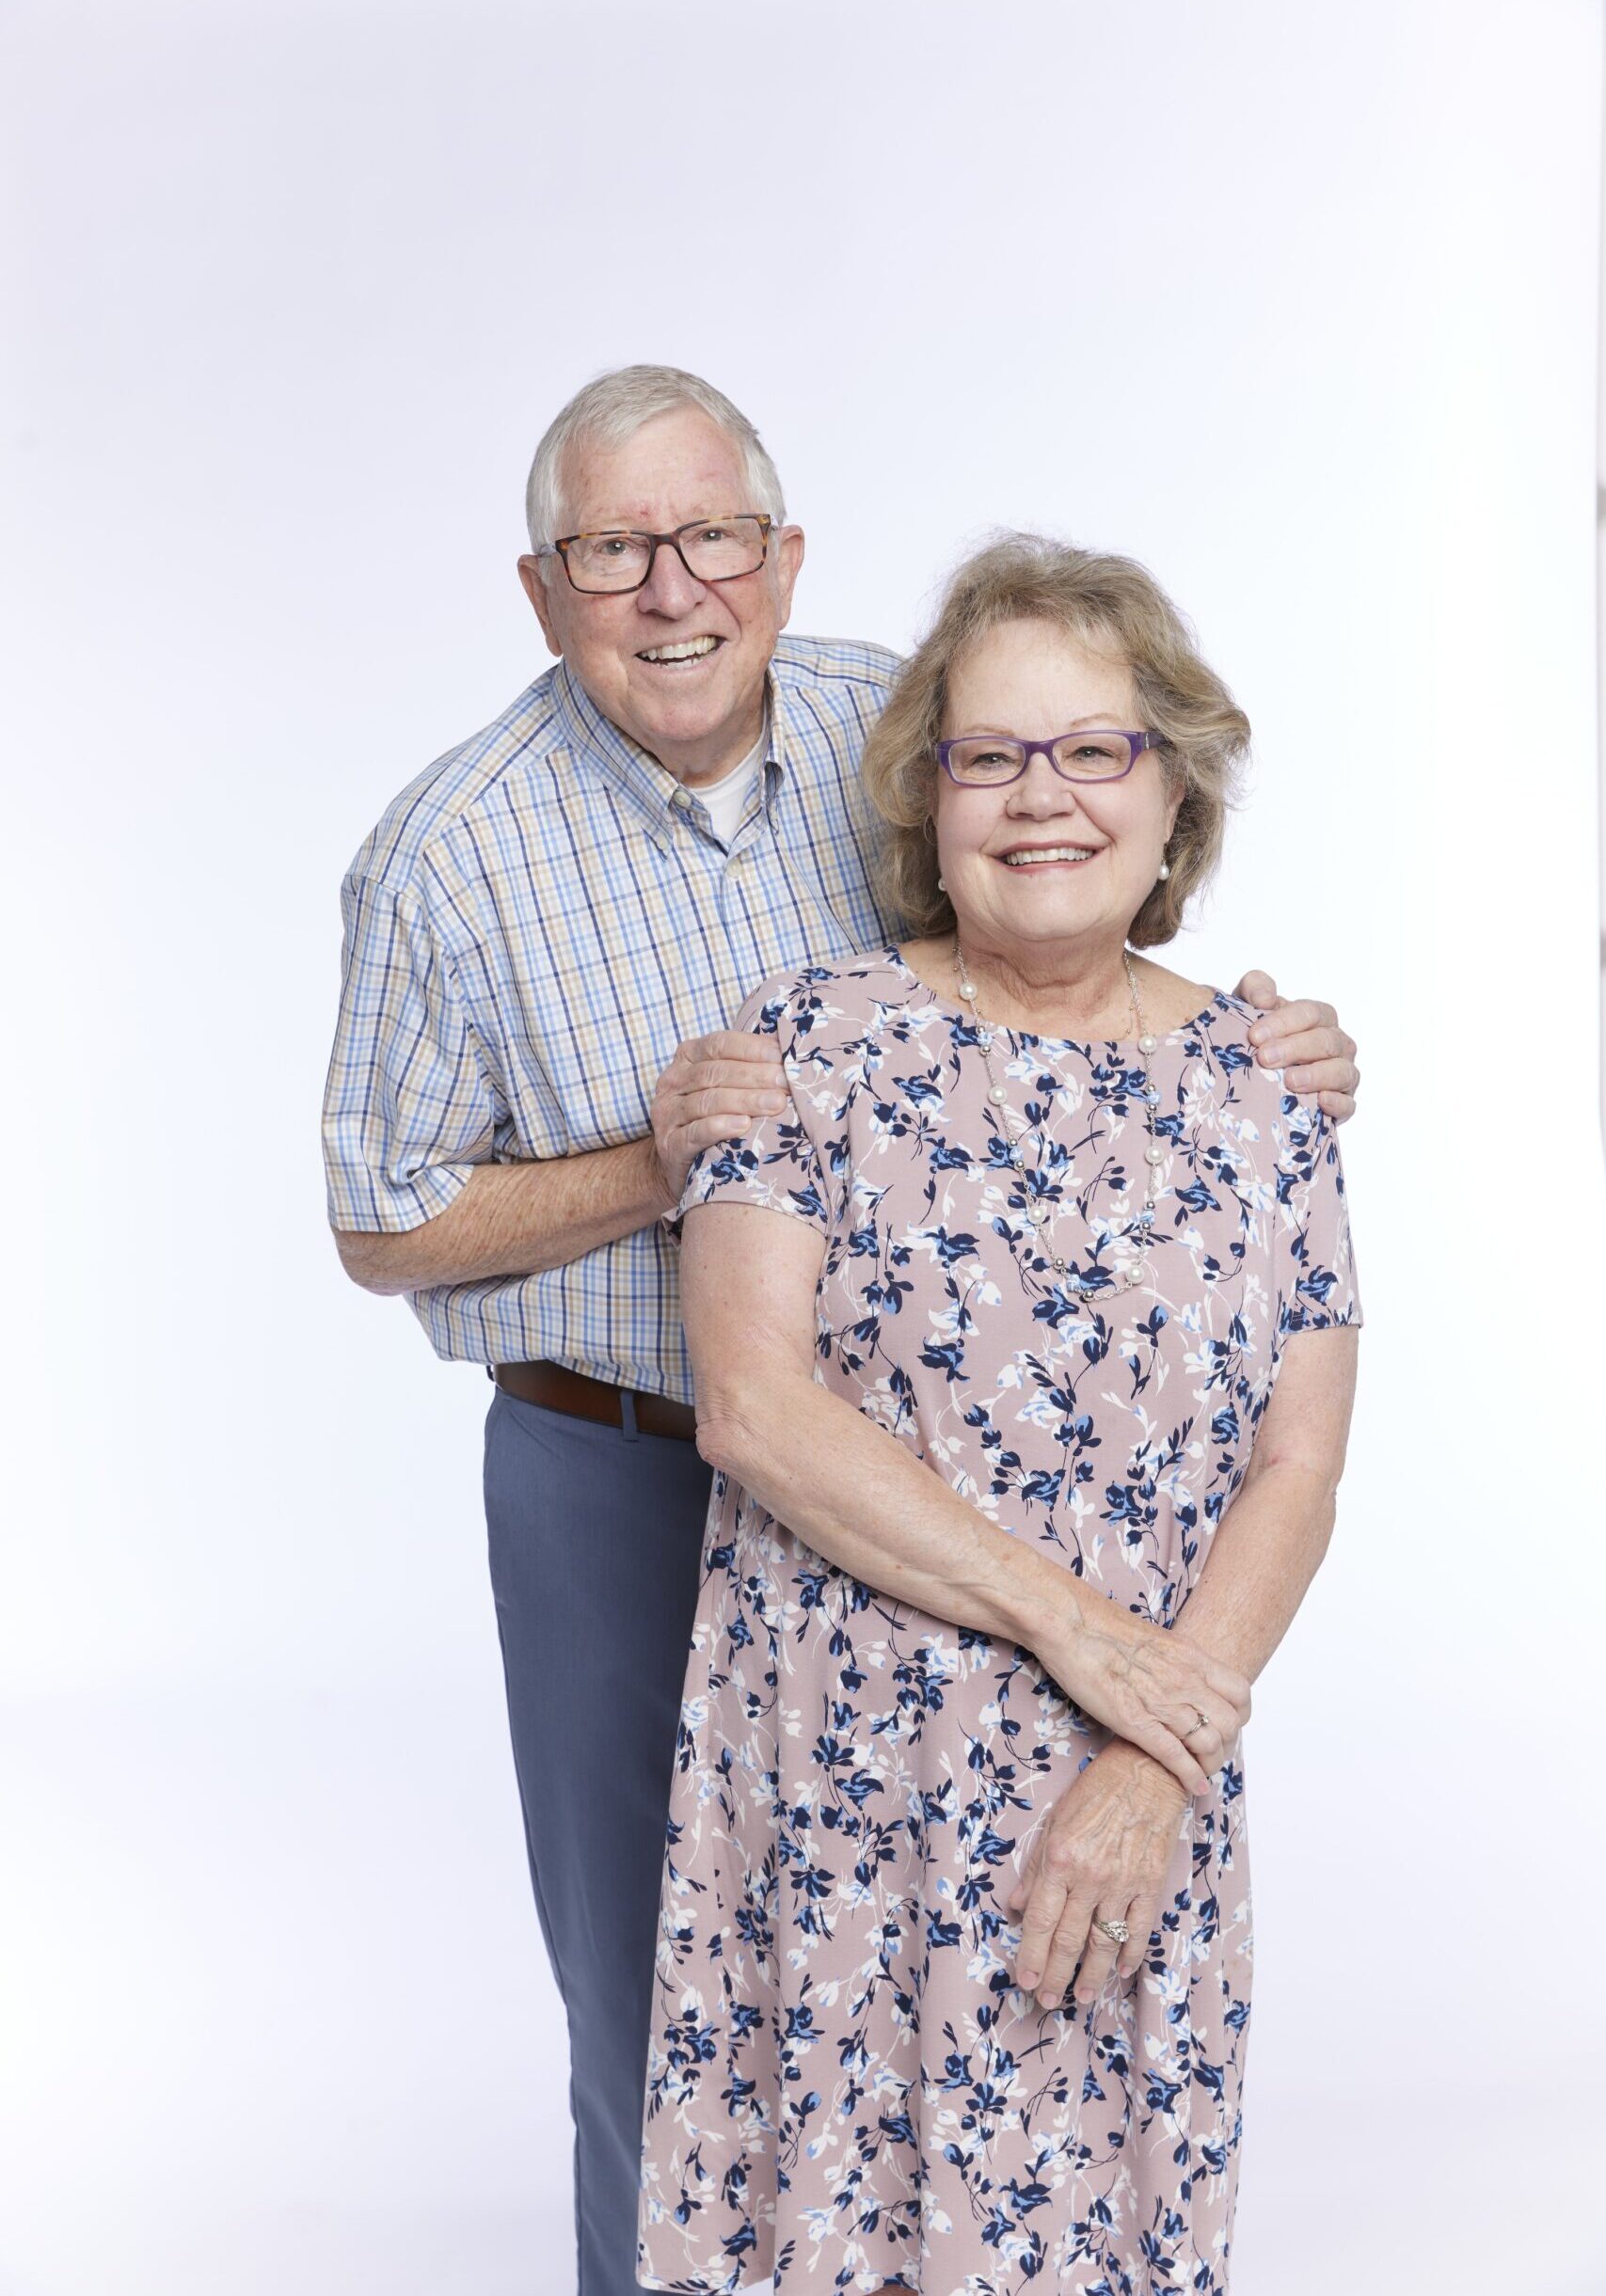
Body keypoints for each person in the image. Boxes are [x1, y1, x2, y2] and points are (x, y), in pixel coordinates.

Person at [321, 367, 1362, 2296]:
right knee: (681, 2016)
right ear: (542, 588)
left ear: (781, 559)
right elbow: (385, 1222)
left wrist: (1275, 1051)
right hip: (623, 1450)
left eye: (710, 535)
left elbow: (1074, 865)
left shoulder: (917, 718)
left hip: (986, 1514)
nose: (669, 587)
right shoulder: (451, 853)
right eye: (609, 549)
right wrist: (661, 1153)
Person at [638, 535, 1360, 2293]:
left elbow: (1301, 1457)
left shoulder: (1272, 1089)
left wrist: (1148, 1750)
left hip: (1129, 1806)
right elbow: (751, 1405)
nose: (1044, 798)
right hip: (845, 1803)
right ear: (930, 796)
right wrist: (1095, 1643)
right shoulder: (798, 1044)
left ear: (1173, 792)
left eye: (1095, 748)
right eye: (992, 755)